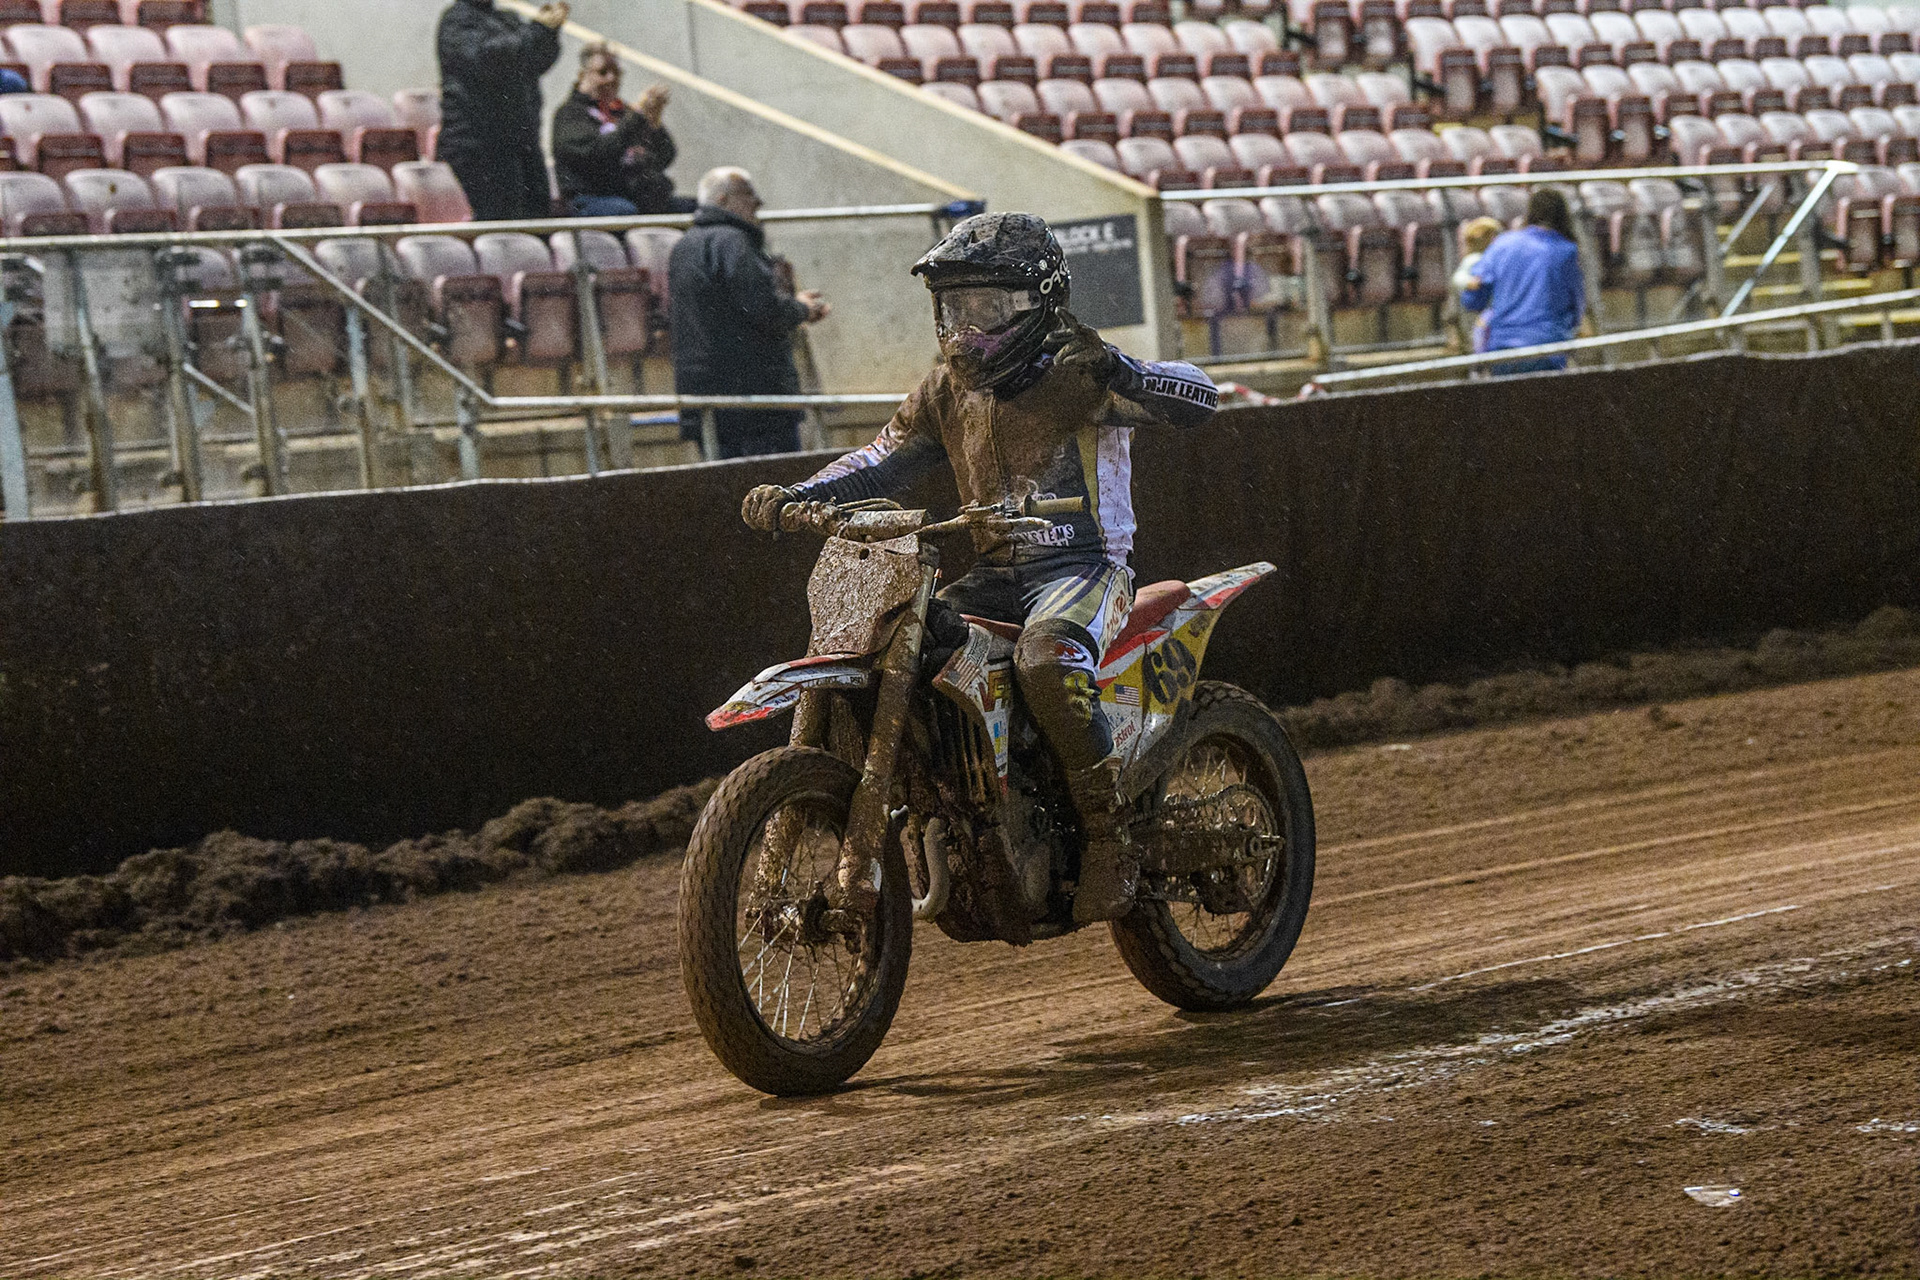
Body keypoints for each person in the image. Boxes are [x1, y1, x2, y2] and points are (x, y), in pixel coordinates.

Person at [738, 212, 1219, 923]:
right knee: (909, 642)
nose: (966, 328)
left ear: (1036, 302)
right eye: (953, 309)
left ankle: (1111, 833)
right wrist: (798, 495)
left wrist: (1128, 371)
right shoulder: (944, 389)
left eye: (985, 308)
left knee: (1046, 659)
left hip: (1084, 568)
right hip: (995, 569)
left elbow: (1201, 395)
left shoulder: (1082, 369)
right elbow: (880, 459)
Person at [669, 168, 830, 459]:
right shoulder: (734, 243)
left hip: (707, 399)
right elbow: (763, 310)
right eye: (748, 195)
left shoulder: (683, 245)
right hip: (756, 404)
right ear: (722, 199)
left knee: (725, 492)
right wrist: (802, 309)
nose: (757, 203)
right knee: (774, 493)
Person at [437, 0, 567, 222]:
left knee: (538, 223)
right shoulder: (456, 21)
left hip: (520, 143)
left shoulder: (507, 19)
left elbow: (536, 60)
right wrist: (537, 30)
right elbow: (490, 57)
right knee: (503, 228)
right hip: (479, 146)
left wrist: (549, 32)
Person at [552, 44, 696, 217]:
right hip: (590, 198)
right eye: (603, 72)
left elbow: (666, 157)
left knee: (696, 209)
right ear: (582, 75)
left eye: (617, 72)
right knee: (624, 210)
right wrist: (636, 118)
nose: (611, 78)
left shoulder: (624, 112)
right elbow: (597, 154)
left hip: (634, 196)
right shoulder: (570, 114)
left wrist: (654, 124)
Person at [1460, 188, 1587, 375]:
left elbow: (1472, 297)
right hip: (1547, 348)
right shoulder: (1567, 250)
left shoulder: (1502, 244)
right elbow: (1576, 306)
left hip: (1502, 349)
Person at [1452, 215, 1504, 354]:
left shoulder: (1494, 258)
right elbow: (1458, 277)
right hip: (1476, 308)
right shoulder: (1474, 259)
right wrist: (1470, 282)